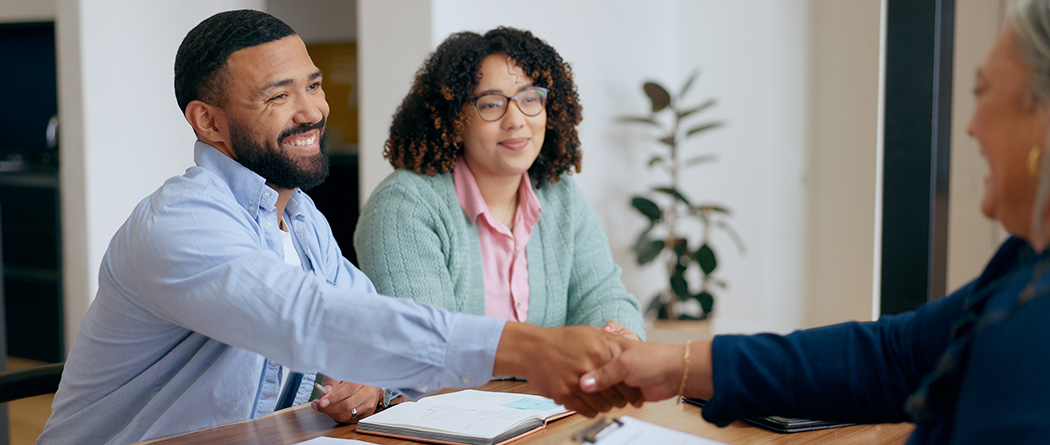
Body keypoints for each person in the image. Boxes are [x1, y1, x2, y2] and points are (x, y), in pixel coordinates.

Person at [38, 10, 634, 444]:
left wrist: (373, 381)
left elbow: (368, 325)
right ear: (209, 122)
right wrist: (530, 346)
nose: (314, 110)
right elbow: (311, 320)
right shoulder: (179, 225)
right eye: (280, 95)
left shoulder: (299, 217)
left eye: (315, 85)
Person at [579, 0, 1050, 442]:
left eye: (983, 90)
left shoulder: (1032, 329)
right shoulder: (1022, 262)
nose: (969, 126)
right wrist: (672, 364)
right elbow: (893, 356)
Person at [353, 27, 645, 340]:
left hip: (546, 391)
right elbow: (426, 347)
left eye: (530, 98)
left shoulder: (561, 195)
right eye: (491, 103)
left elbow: (604, 296)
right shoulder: (402, 207)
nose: (517, 119)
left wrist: (618, 336)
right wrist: (555, 355)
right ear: (454, 118)